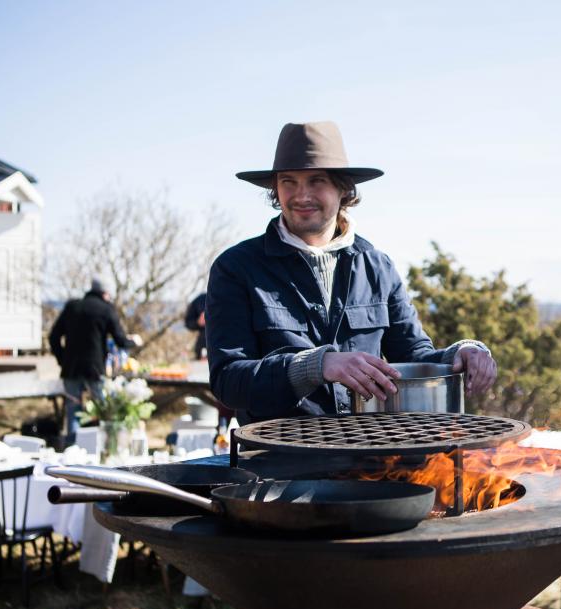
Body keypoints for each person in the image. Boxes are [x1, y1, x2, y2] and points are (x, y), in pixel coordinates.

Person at [207, 121, 497, 424]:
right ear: (276, 190)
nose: (301, 195)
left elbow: (413, 357)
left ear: (344, 188)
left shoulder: (377, 266)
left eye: (317, 181)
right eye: (289, 181)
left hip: (371, 457)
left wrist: (460, 355)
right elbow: (229, 381)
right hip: (277, 459)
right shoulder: (237, 267)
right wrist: (316, 366)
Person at [48, 278, 142, 446]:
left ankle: (74, 450)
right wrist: (134, 342)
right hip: (95, 369)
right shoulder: (106, 309)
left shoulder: (72, 307)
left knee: (73, 411)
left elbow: (53, 337)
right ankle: (106, 446)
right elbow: (120, 340)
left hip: (71, 368)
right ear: (105, 294)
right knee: (105, 410)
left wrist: (62, 359)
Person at [184, 292, 207, 360]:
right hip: (203, 346)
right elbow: (188, 322)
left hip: (227, 346)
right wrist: (198, 322)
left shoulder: (228, 298)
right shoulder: (199, 300)